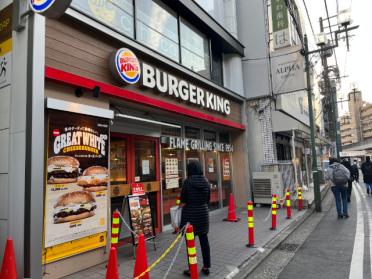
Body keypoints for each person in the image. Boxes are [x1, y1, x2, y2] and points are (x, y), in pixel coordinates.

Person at [180, 161, 211, 276]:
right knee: (204, 241)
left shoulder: (187, 182)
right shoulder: (206, 181)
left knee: (190, 243)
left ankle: (192, 269)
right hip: (203, 214)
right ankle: (206, 266)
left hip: (190, 215)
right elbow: (207, 199)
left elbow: (183, 200)